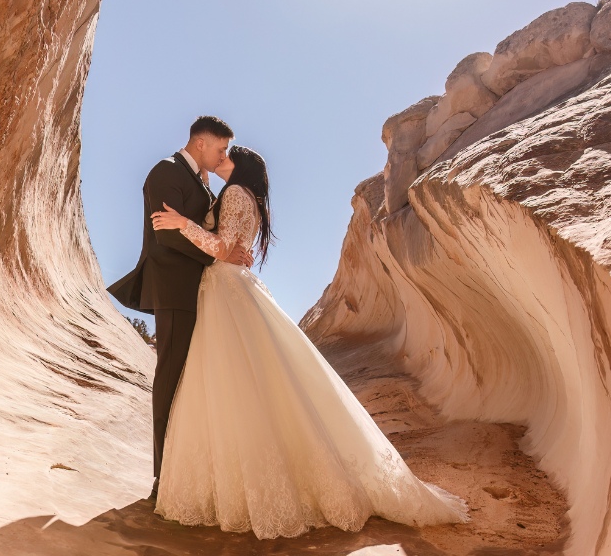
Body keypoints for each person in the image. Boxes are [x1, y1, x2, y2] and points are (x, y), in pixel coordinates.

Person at [147, 144, 469, 539]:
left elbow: (221, 249)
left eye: (228, 156)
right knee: (254, 385)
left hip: (225, 292)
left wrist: (181, 222)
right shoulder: (248, 198)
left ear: (240, 166)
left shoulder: (233, 194)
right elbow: (233, 250)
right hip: (234, 289)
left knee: (230, 384)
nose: (221, 159)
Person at [107, 116, 253, 500]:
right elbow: (167, 233)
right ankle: (162, 476)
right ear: (201, 143)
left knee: (194, 380)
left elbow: (204, 229)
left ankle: (193, 469)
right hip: (174, 288)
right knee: (170, 376)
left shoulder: (202, 184)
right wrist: (220, 256)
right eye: (221, 149)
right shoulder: (165, 171)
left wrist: (222, 250)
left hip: (200, 290)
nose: (224, 156)